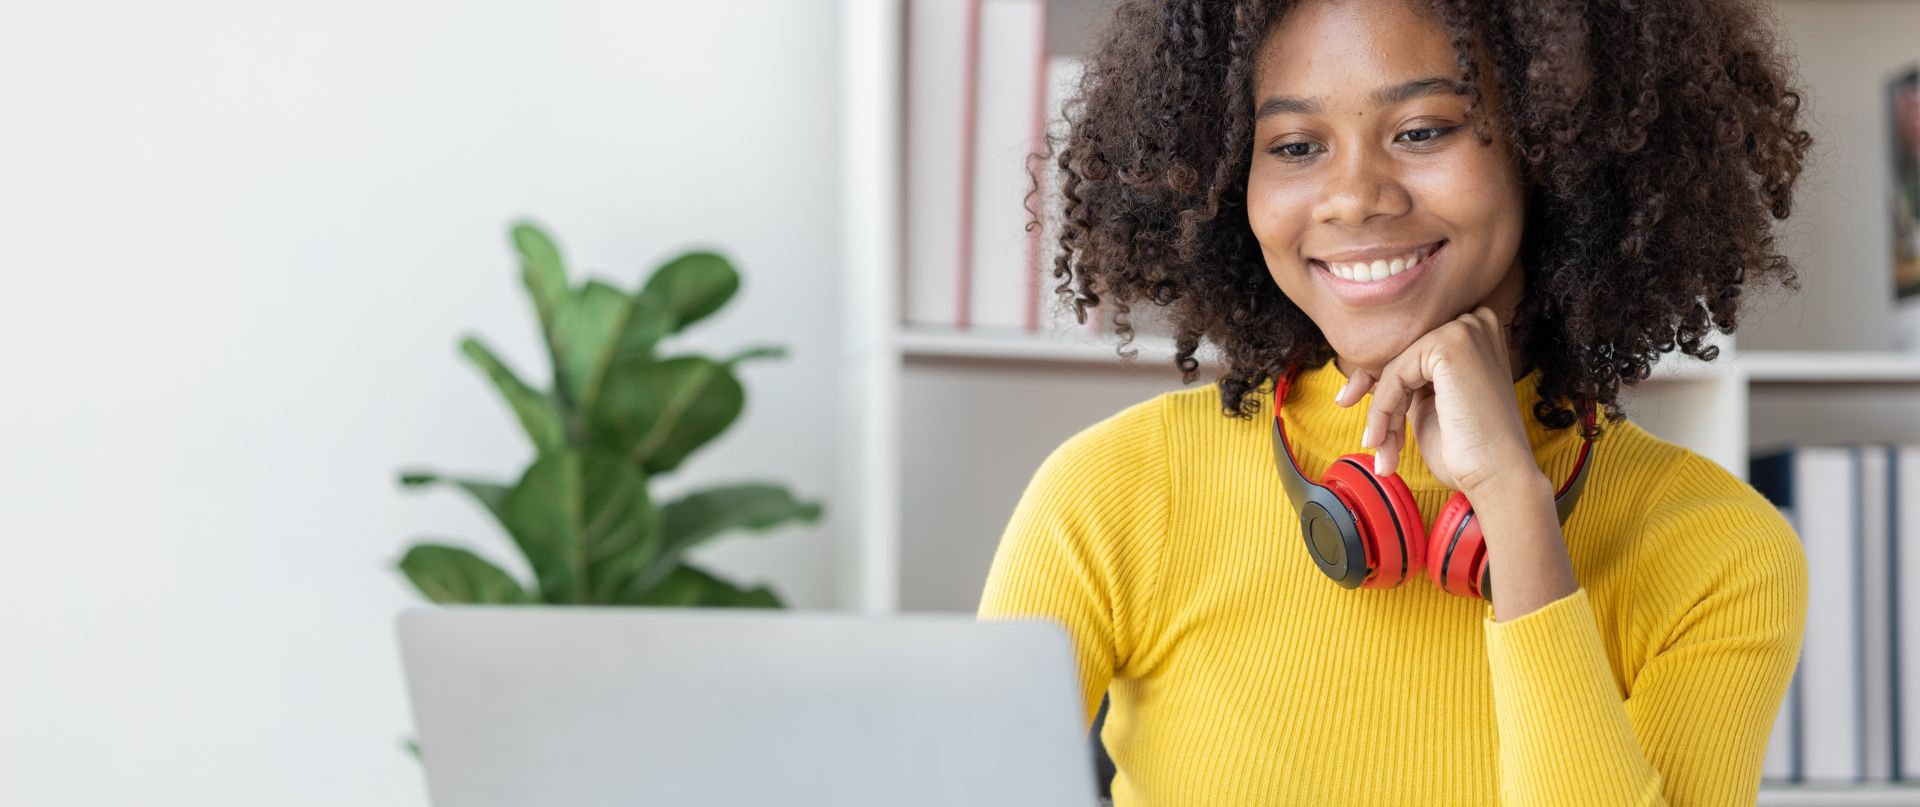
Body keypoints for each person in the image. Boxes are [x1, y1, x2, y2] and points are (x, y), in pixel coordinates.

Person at [976, 0, 1815, 804]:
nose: (1355, 197)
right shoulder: (1115, 492)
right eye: (1296, 146)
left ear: (1557, 149)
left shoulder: (1719, 552)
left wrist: (1519, 515)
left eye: (1422, 131)